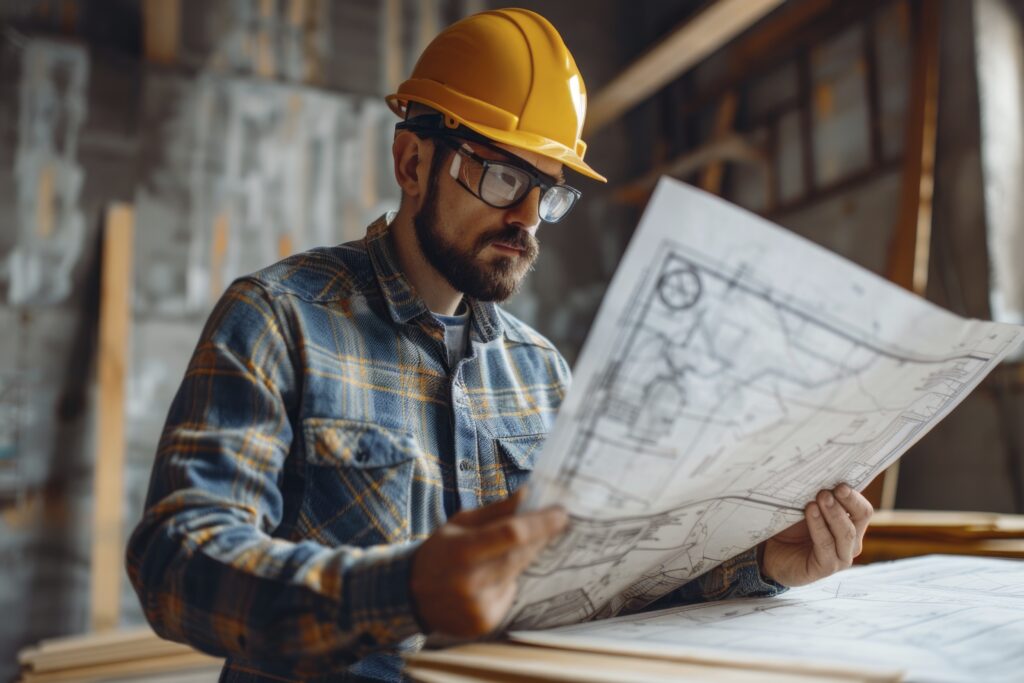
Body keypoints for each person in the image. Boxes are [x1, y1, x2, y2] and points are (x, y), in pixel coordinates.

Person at [126, 8, 873, 682]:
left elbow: (607, 578)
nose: (527, 217)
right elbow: (177, 560)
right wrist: (402, 589)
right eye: (500, 173)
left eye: (547, 190)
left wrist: (763, 563)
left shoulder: (540, 372)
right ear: (414, 163)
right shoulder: (278, 319)